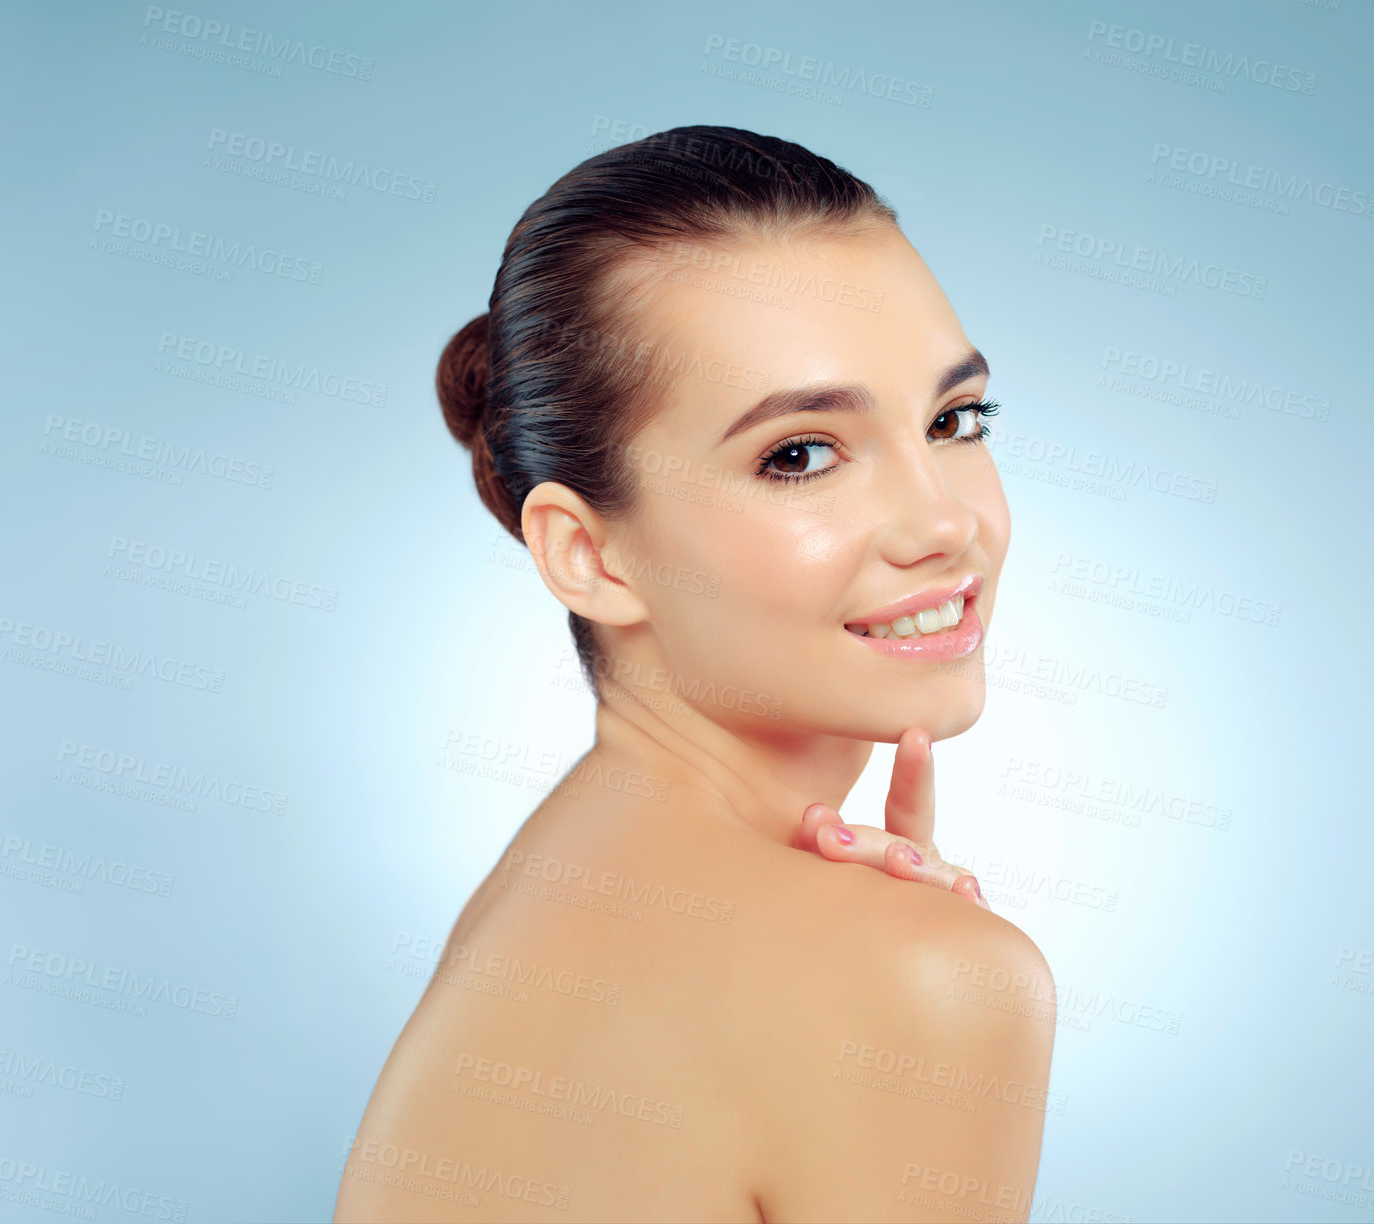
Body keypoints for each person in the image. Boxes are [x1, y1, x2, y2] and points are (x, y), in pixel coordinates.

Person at [335, 126, 1055, 1223]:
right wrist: (916, 971)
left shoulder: (555, 885)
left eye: (954, 420)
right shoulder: (912, 980)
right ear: (590, 552)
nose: (947, 522)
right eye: (800, 454)